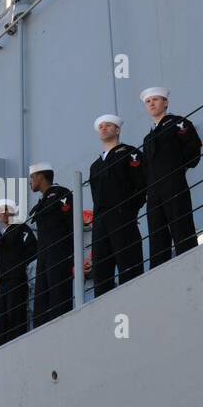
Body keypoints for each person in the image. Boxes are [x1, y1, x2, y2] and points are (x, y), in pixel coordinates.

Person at [140, 87, 201, 267]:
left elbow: (192, 148)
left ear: (165, 102)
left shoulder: (178, 123)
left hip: (174, 184)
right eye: (148, 101)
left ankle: (192, 266)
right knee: (157, 237)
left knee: (182, 229)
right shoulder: (147, 137)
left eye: (155, 99)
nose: (151, 103)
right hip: (154, 192)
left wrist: (176, 169)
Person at [88, 114, 146, 295]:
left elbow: (141, 183)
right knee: (101, 271)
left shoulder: (130, 152)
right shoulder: (95, 165)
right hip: (101, 221)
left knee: (129, 263)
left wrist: (129, 210)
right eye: (101, 126)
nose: (104, 128)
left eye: (108, 125)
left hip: (122, 215)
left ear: (118, 130)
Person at [27, 163, 75, 325]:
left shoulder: (61, 193)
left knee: (59, 296)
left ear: (41, 176)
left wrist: (72, 256)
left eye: (32, 177)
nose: (30, 181)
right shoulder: (41, 202)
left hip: (60, 254)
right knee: (41, 302)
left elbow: (71, 223)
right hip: (44, 257)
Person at [0, 199, 36, 347]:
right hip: (3, 281)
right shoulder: (1, 235)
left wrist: (21, 267)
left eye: (5, 209)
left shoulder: (21, 228)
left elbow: (32, 250)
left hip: (17, 279)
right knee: (2, 321)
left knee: (16, 317)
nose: (3, 213)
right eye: (0, 211)